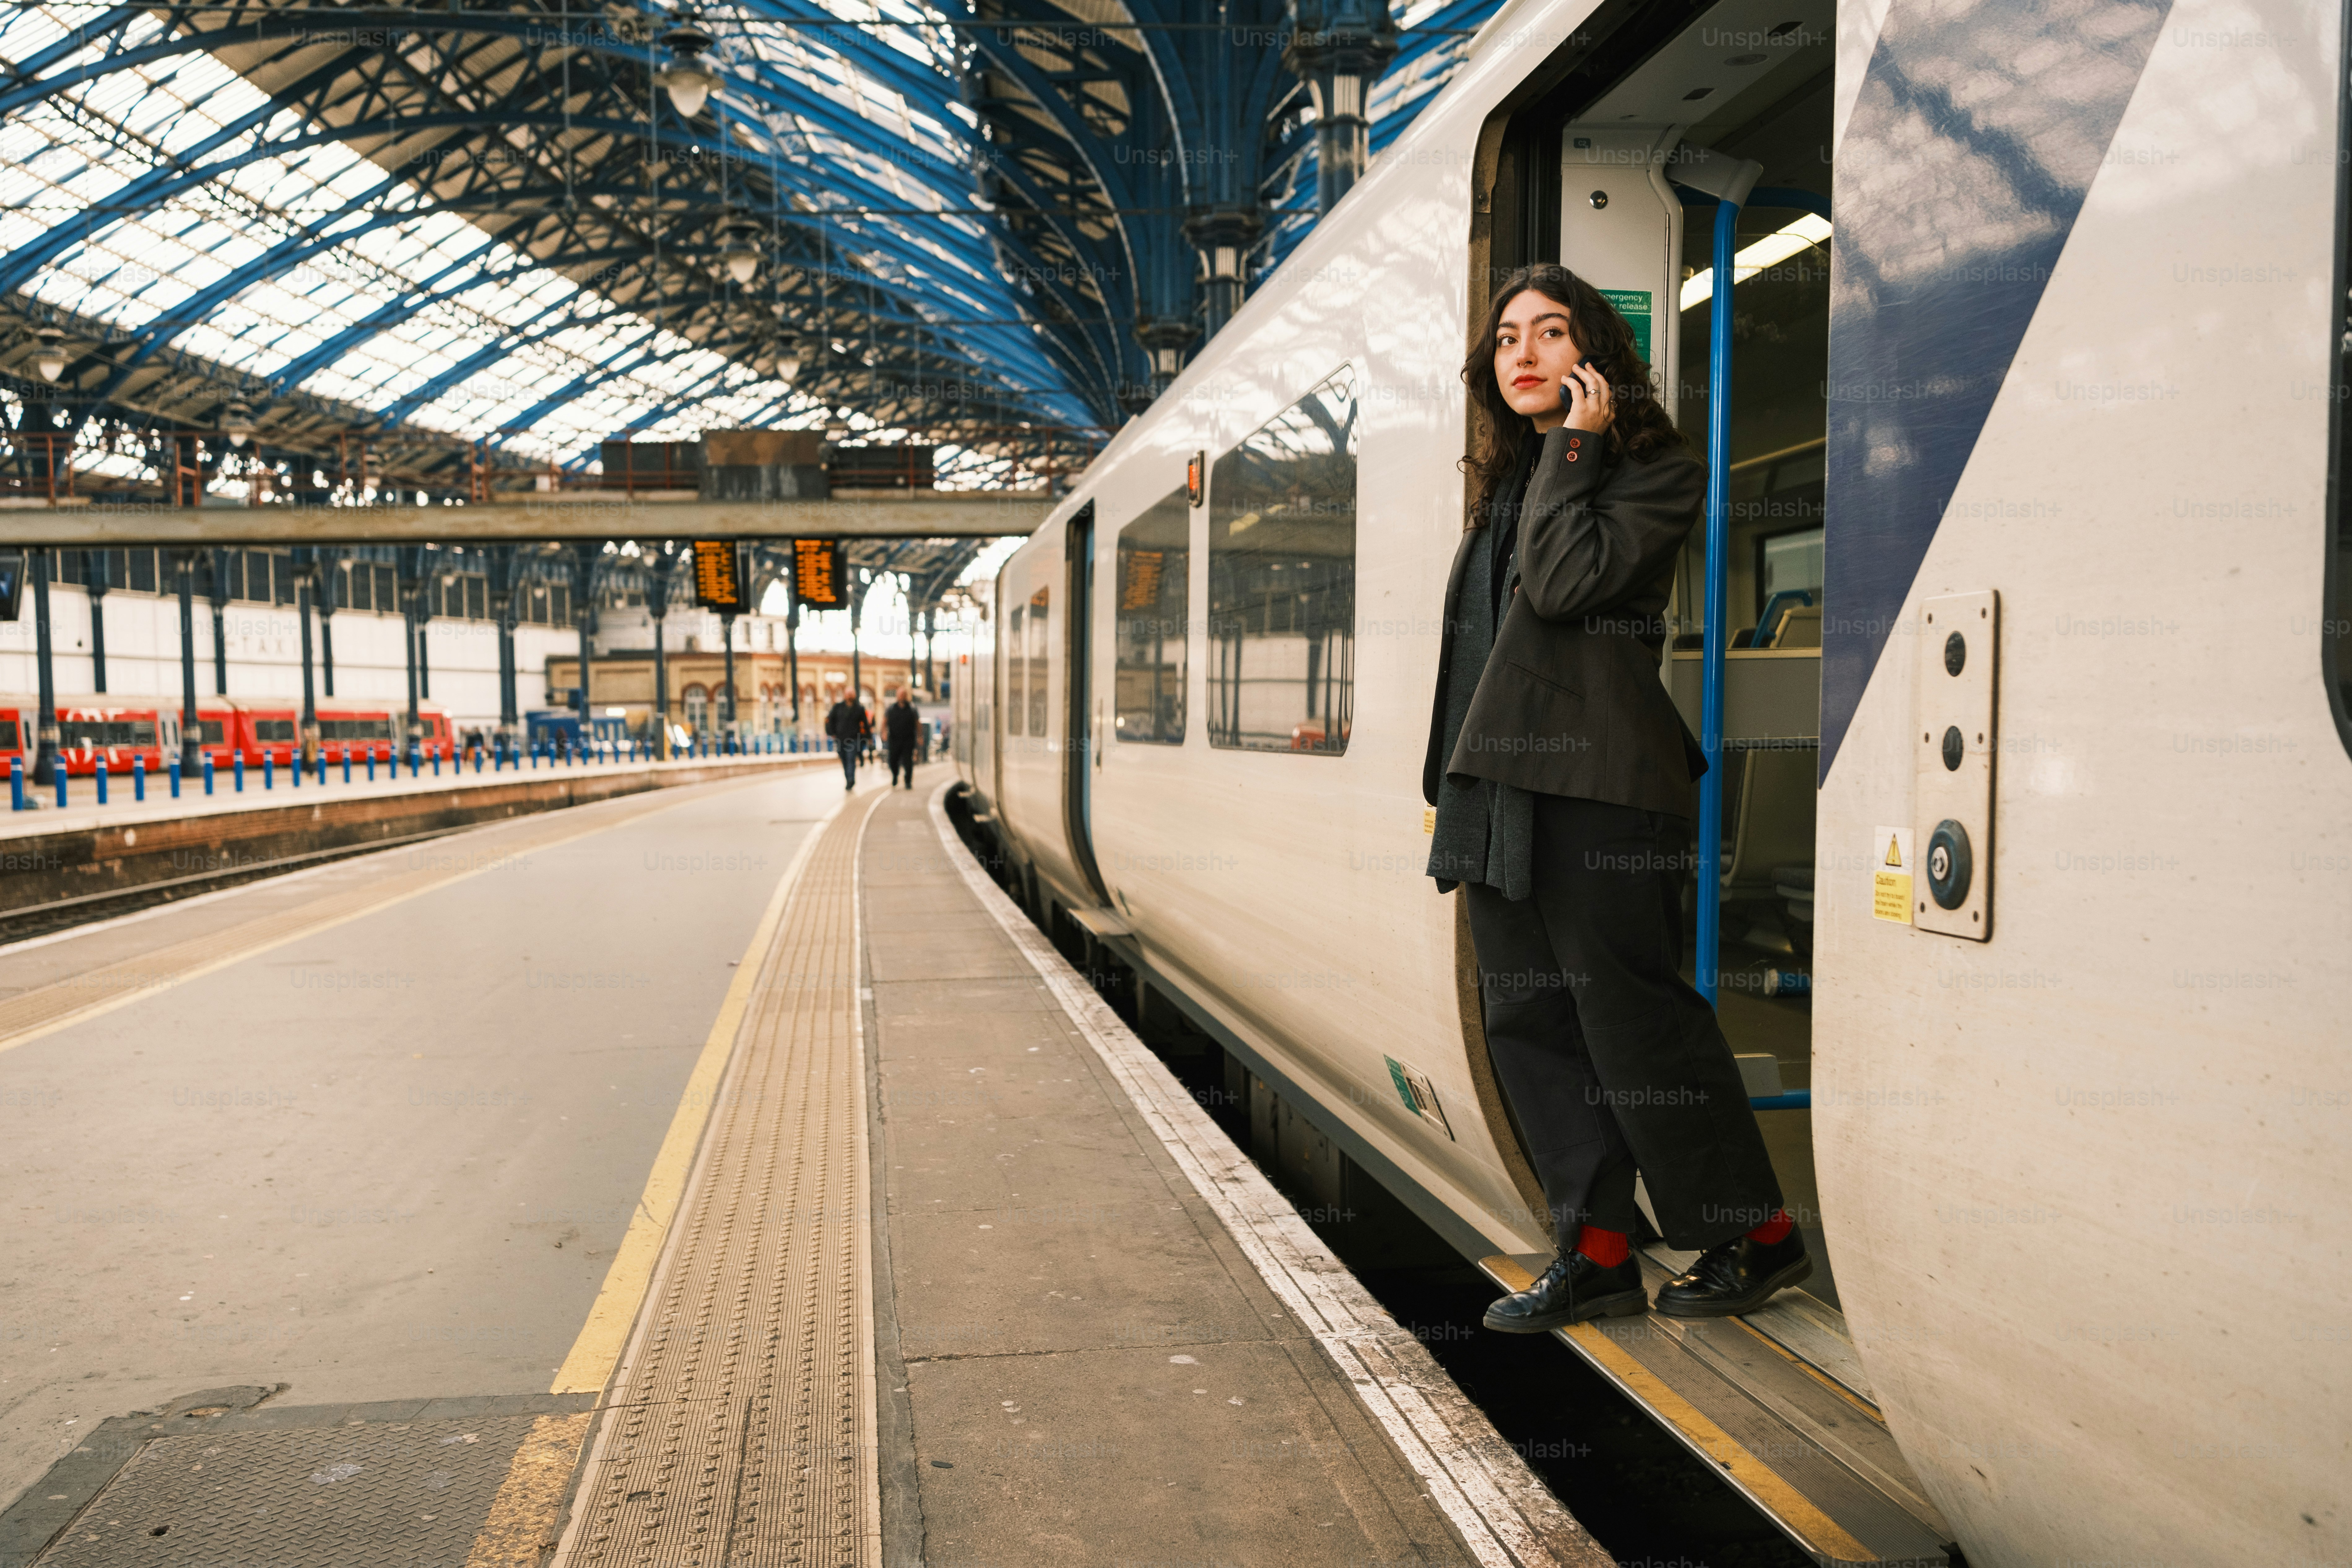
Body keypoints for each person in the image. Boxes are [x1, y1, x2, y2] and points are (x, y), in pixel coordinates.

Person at [1425, 264, 1803, 1332]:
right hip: (1498, 790)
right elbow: (1472, 660)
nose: (1524, 354)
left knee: (1631, 1021)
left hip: (1595, 788)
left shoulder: (1650, 473)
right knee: (1529, 1020)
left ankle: (1757, 1234)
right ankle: (1591, 1249)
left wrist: (1575, 449)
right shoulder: (1507, 492)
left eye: (1550, 333)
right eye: (1506, 339)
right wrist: (1442, 787)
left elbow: (1559, 587)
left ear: (1594, 357)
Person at [824, 692, 865, 789]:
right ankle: (849, 779)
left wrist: (868, 737)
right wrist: (831, 733)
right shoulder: (838, 707)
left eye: (852, 694)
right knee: (844, 759)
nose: (850, 696)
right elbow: (829, 720)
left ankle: (851, 779)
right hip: (841, 739)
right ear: (845, 695)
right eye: (848, 694)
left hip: (854, 739)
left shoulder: (859, 709)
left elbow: (865, 723)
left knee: (851, 759)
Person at [883, 688, 920, 789]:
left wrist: (920, 737)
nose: (902, 696)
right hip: (894, 739)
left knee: (908, 761)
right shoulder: (891, 708)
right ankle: (895, 775)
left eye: (904, 694)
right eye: (900, 694)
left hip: (908, 739)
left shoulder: (912, 708)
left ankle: (908, 781)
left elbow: (918, 723)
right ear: (897, 696)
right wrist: (884, 733)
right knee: (893, 760)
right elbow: (885, 722)